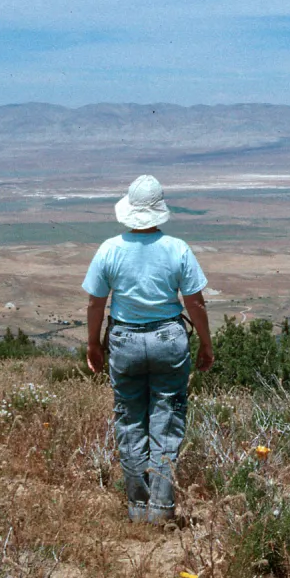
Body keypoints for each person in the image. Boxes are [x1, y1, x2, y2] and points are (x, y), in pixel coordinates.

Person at [82, 175, 214, 524]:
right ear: (159, 212)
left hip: (124, 341)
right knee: (166, 423)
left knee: (130, 421)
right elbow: (196, 303)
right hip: (169, 341)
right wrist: (206, 344)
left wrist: (93, 343)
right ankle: (161, 511)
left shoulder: (109, 249)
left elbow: (96, 303)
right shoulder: (177, 248)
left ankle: (138, 511)